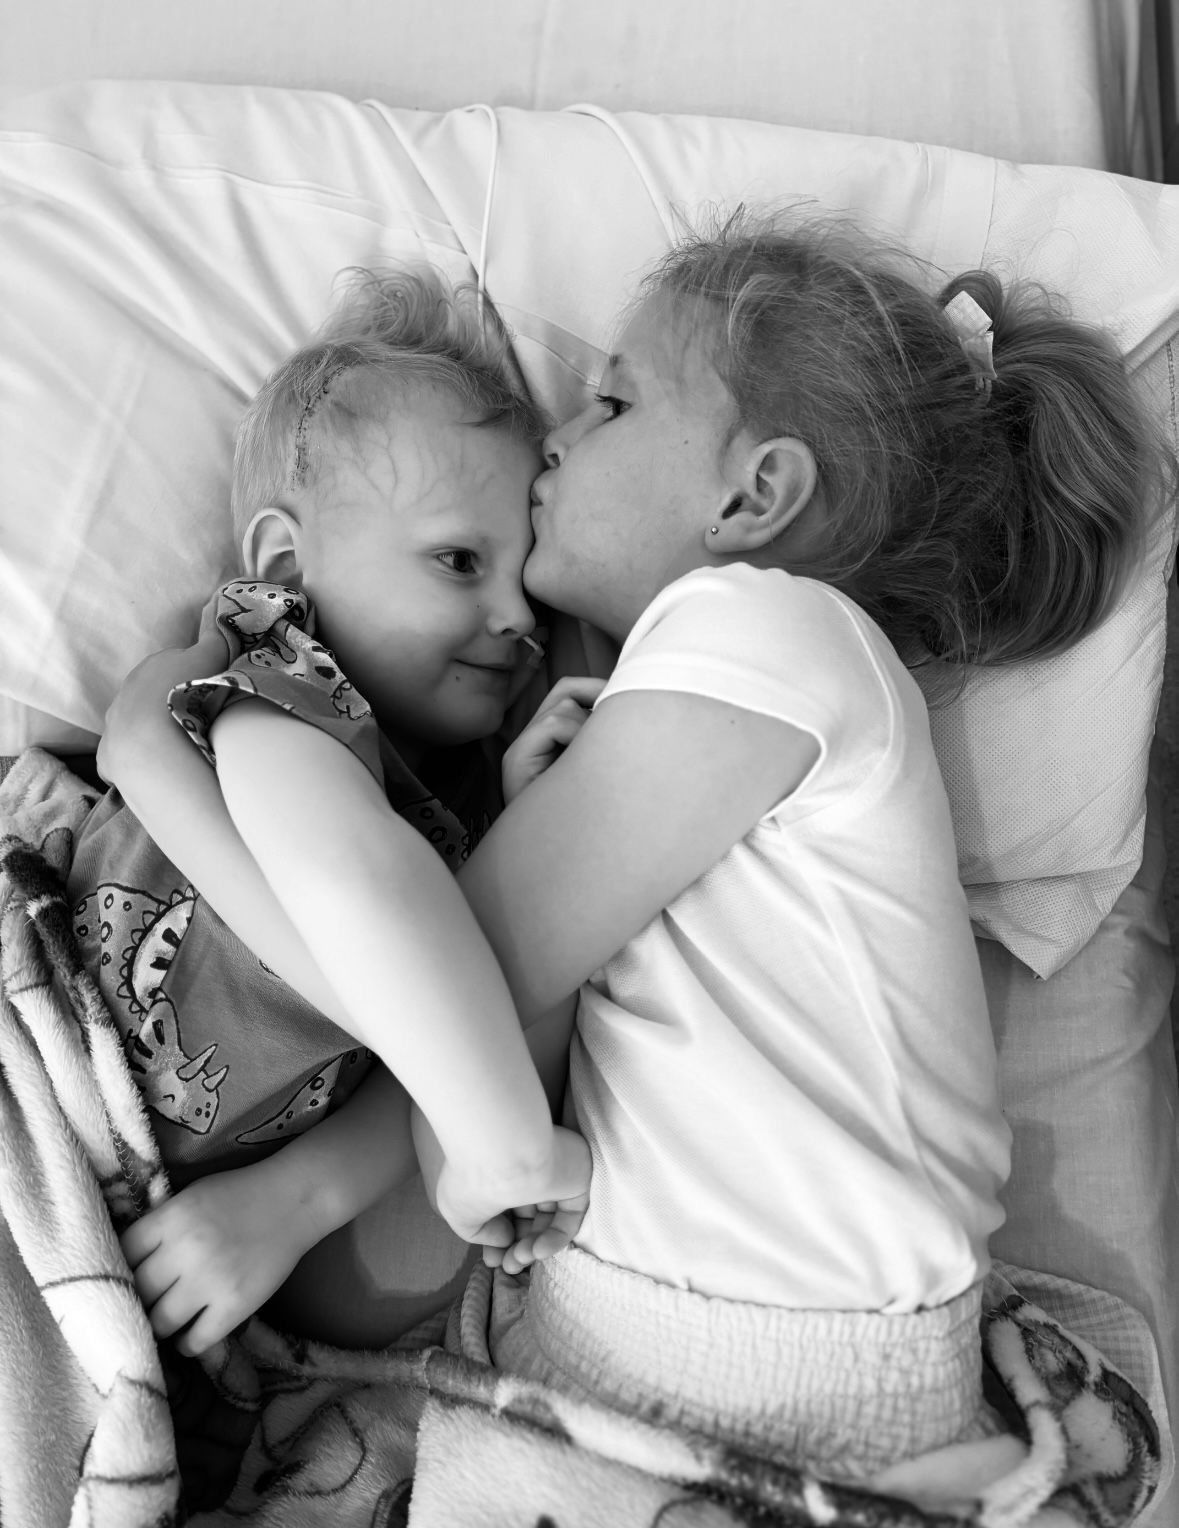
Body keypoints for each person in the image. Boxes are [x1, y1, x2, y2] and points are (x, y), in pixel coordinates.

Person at [100, 209, 1166, 1477]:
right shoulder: (648, 717)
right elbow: (456, 1057)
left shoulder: (771, 629)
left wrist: (155, 760)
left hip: (798, 1365)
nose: (555, 435)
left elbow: (431, 976)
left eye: (610, 402)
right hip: (631, 1355)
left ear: (754, 494)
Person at [73, 263, 591, 1359]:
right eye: (460, 561)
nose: (517, 617)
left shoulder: (467, 806)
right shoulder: (271, 672)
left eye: (534, 590)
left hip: (141, 1231)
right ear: (285, 563)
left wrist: (289, 1202)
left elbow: (447, 1071)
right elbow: (388, 963)